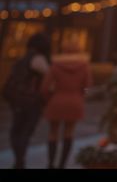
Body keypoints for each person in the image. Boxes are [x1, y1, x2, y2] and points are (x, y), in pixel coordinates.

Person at [41, 34, 90, 169]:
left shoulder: (56, 65)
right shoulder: (84, 66)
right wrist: (81, 96)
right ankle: (62, 164)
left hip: (56, 100)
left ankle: (51, 163)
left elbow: (45, 87)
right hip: (75, 101)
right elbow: (87, 86)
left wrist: (48, 98)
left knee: (53, 132)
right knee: (69, 132)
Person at [5, 31, 51, 169]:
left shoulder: (23, 58)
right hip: (32, 101)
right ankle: (20, 160)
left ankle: (19, 159)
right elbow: (49, 77)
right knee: (25, 131)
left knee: (16, 130)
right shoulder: (39, 59)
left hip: (17, 99)